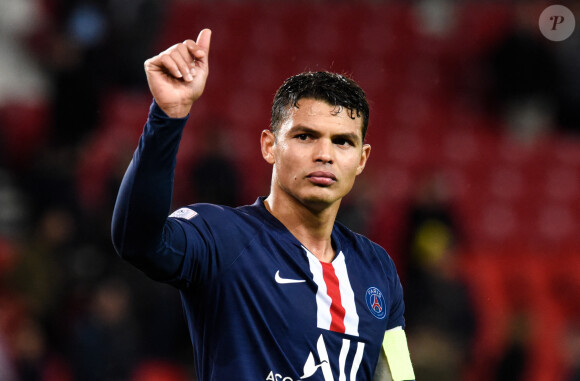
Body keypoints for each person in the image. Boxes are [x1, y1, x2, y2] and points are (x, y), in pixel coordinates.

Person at [111, 28, 414, 381]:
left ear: (361, 159)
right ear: (269, 146)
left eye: (343, 142)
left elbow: (398, 377)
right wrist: (167, 116)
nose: (324, 155)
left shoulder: (378, 268)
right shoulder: (222, 237)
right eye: (305, 136)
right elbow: (137, 241)